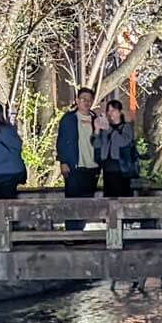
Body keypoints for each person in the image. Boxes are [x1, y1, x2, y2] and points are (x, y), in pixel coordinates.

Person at [56, 87, 100, 228]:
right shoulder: (69, 119)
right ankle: (71, 233)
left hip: (92, 167)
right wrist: (63, 162)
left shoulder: (96, 120)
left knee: (87, 203)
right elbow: (61, 141)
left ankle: (81, 230)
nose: (86, 102)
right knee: (72, 202)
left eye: (89, 100)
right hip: (74, 166)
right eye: (83, 99)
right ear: (77, 101)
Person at [93, 99, 137, 198]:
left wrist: (108, 128)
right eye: (108, 110)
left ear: (119, 111)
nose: (110, 113)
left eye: (113, 110)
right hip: (107, 167)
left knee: (122, 195)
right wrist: (97, 129)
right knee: (108, 196)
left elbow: (123, 142)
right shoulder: (105, 128)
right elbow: (96, 145)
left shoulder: (126, 127)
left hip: (121, 167)